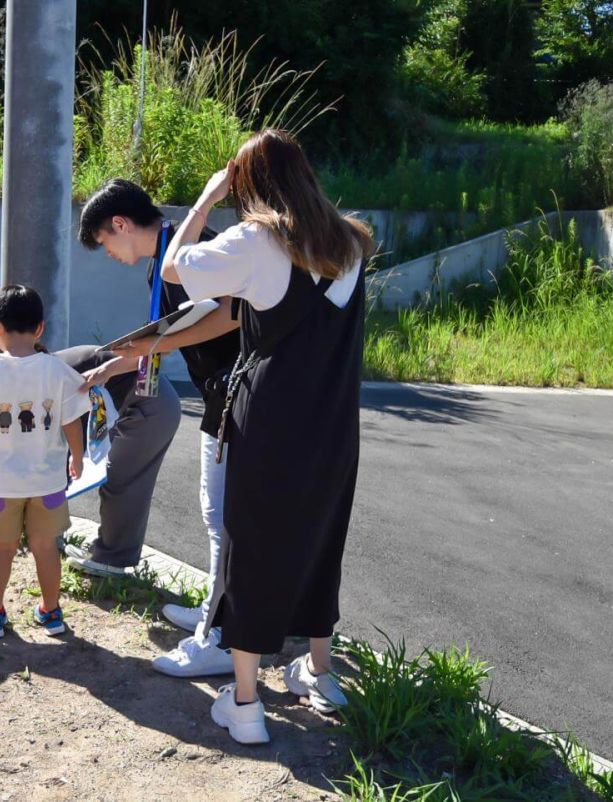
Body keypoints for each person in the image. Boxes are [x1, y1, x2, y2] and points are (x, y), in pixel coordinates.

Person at [161, 129, 375, 744]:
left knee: (250, 546)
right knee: (320, 535)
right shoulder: (350, 240)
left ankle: (247, 703)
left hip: (272, 417)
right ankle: (319, 670)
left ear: (251, 183)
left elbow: (177, 268)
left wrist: (204, 199)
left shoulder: (258, 239)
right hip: (335, 420)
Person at [78, 178, 241, 678]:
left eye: (106, 242)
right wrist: (113, 368)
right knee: (217, 515)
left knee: (225, 519)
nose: (109, 253)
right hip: (220, 395)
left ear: (121, 224)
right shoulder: (171, 255)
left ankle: (221, 634)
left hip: (238, 395)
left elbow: (235, 314)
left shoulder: (189, 251)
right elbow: (165, 334)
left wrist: (151, 350)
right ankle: (216, 612)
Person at [0, 285, 90, 638]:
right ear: (40, 328)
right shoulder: (56, 369)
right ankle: (51, 612)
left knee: (2, 548)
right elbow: (72, 421)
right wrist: (77, 458)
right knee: (45, 548)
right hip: (48, 481)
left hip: (1, 482)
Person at [53, 346, 180, 577]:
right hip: (150, 400)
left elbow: (59, 456)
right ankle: (110, 553)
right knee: (123, 479)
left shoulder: (50, 382)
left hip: (150, 405)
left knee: (122, 480)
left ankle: (111, 560)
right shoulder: (47, 365)